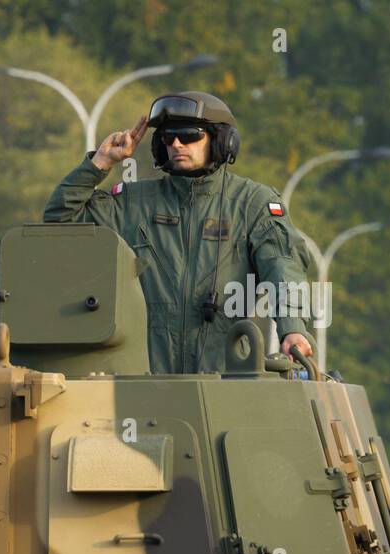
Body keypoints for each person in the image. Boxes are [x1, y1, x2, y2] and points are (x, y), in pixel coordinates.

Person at [43, 91, 313, 374]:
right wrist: (100, 162)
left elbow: (283, 267)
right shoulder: (135, 203)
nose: (176, 144)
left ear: (222, 141)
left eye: (189, 135)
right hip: (145, 377)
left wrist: (292, 329)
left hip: (226, 378)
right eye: (167, 138)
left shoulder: (252, 204)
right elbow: (61, 218)